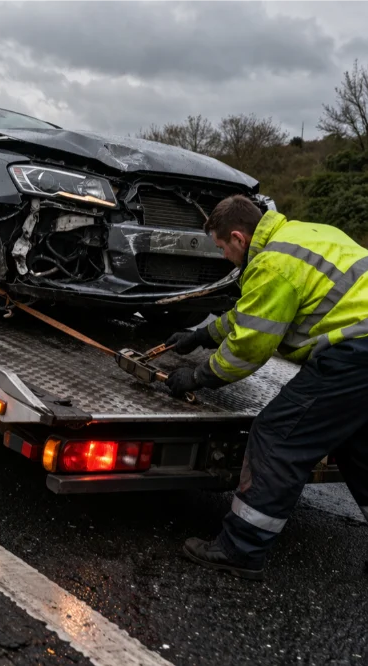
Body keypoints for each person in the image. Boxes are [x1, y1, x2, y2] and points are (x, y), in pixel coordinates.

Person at [164, 194, 368, 581]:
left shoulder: (273, 262)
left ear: (239, 238)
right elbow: (255, 311)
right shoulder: (304, 235)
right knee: (360, 447)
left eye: (223, 247)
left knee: (277, 439)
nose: (224, 256)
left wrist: (197, 376)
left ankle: (241, 548)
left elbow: (250, 346)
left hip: (355, 353)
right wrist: (202, 334)